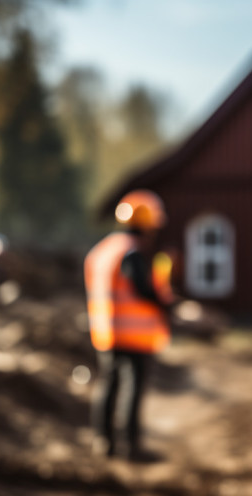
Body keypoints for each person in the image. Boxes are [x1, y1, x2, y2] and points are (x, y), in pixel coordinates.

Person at [84, 189, 172, 459]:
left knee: (108, 383)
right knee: (132, 387)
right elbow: (142, 290)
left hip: (106, 331)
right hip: (134, 334)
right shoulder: (131, 253)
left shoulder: (102, 250)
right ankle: (131, 446)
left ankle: (104, 440)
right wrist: (167, 305)